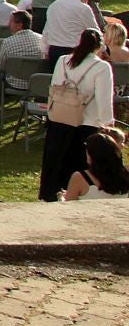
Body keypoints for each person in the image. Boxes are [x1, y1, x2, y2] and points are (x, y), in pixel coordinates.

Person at [39, 28, 116, 202]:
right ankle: (76, 194)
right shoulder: (101, 67)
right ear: (99, 46)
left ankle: (49, 194)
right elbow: (104, 98)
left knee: (55, 160)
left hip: (59, 117)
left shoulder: (63, 61)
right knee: (79, 162)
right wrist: (107, 123)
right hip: (86, 122)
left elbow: (55, 86)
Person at [0, 10, 45, 107]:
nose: (8, 24)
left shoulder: (8, 42)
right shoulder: (42, 39)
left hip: (13, 82)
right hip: (34, 83)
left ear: (19, 25)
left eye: (11, 21)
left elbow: (1, 67)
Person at [43, 0, 103, 67]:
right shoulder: (83, 8)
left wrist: (45, 51)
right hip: (75, 52)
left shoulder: (54, 5)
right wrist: (104, 50)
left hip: (54, 51)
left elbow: (47, 30)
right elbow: (95, 31)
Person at [60, 132, 129, 200]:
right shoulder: (125, 175)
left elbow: (69, 207)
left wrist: (62, 198)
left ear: (92, 154)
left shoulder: (80, 177)